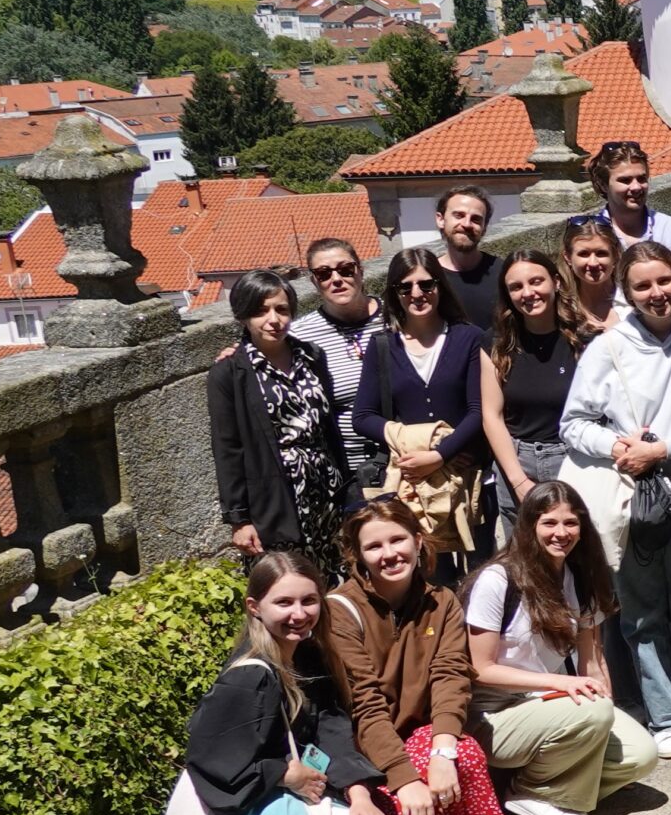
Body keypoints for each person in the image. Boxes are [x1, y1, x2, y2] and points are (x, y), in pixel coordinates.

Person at [149, 553, 457, 815]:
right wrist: (283, 772)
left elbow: (330, 729)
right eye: (284, 603)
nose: (299, 614)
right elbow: (212, 753)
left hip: (283, 779)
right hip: (233, 791)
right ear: (254, 608)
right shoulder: (249, 675)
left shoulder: (310, 657)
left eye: (309, 601)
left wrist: (358, 790)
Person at [560, 239, 671, 759]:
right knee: (641, 613)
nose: (656, 293)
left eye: (664, 281)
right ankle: (664, 713)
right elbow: (572, 424)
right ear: (625, 293)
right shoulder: (607, 348)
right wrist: (615, 447)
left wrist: (662, 448)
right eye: (642, 286)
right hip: (628, 495)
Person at [324, 500, 526, 815]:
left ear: (418, 541)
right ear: (358, 556)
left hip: (419, 728)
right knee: (403, 794)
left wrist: (443, 748)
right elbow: (363, 703)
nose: (389, 554)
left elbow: (451, 677)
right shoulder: (342, 611)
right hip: (366, 740)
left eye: (398, 540)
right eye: (374, 547)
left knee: (464, 755)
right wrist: (404, 777)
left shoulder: (442, 602)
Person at [466, 481, 660, 815]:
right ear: (529, 526)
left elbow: (593, 658)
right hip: (492, 715)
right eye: (549, 523)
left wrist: (603, 720)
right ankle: (530, 790)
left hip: (548, 706)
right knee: (593, 711)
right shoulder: (497, 579)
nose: (561, 532)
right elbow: (480, 669)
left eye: (570, 523)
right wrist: (561, 683)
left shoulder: (579, 577)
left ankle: (564, 783)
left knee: (640, 757)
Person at [208, 270, 354, 576]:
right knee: (286, 585)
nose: (273, 319)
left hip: (326, 490)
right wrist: (239, 520)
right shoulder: (229, 373)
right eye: (261, 311)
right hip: (276, 500)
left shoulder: (312, 356)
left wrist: (347, 488)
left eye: (281, 309)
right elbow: (227, 448)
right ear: (243, 315)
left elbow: (329, 428)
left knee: (334, 580)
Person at [355, 249, 489, 578]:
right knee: (431, 575)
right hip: (413, 482)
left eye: (426, 285)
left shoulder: (468, 337)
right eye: (405, 287)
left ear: (440, 286)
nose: (417, 294)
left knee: (482, 572)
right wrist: (412, 446)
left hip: (467, 474)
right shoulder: (383, 346)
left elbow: (478, 409)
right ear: (394, 294)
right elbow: (363, 415)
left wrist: (441, 454)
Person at [480, 251, 589, 530]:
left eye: (536, 281)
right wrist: (518, 481)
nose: (528, 293)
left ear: (556, 282)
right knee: (523, 565)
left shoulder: (584, 339)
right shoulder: (496, 344)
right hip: (517, 461)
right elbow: (492, 416)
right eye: (516, 287)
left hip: (574, 459)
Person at [291, 238, 390, 486]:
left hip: (407, 460)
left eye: (346, 269)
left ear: (360, 270)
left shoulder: (395, 317)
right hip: (347, 473)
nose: (336, 279)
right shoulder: (300, 336)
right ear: (314, 281)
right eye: (324, 273)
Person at [588, 140, 671, 253]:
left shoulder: (670, 230)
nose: (636, 187)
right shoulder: (591, 234)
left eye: (641, 179)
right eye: (625, 180)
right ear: (603, 185)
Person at [432, 187, 506, 319]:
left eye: (476, 219)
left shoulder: (504, 273)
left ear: (484, 228)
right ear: (440, 220)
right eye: (459, 215)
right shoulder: (427, 279)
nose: (466, 224)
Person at [564, 216, 624, 333]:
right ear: (568, 257)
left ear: (616, 255)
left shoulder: (634, 303)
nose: (593, 263)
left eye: (601, 253)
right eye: (584, 254)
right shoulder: (561, 309)